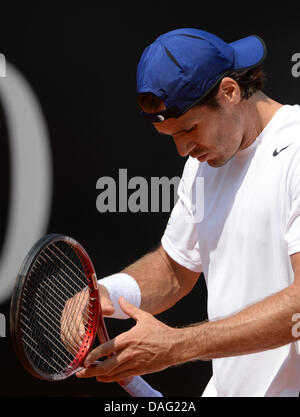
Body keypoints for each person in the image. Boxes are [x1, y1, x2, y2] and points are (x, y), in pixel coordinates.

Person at [72, 28, 300, 396]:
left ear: (230, 92)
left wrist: (178, 346)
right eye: (172, 136)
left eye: (190, 128)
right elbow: (174, 268)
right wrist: (103, 295)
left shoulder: (296, 153)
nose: (182, 151)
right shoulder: (202, 161)